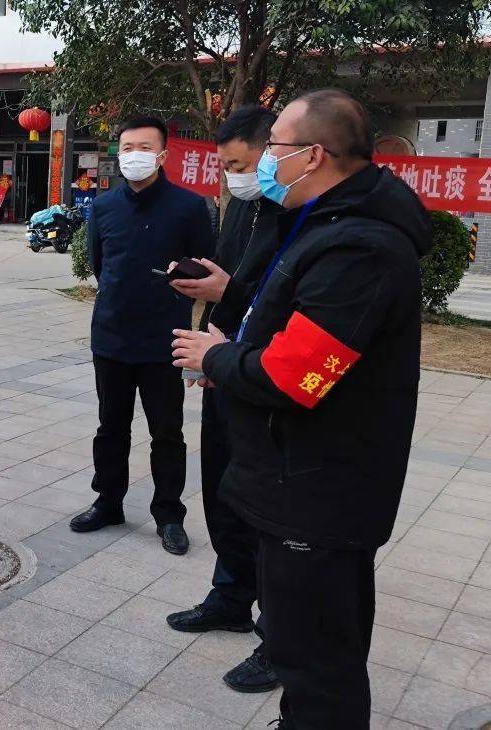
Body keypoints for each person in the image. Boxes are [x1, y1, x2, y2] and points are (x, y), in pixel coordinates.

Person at [173, 89, 430, 728]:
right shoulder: (326, 223)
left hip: (319, 495)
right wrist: (236, 358)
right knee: (303, 651)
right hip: (298, 481)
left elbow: (297, 377)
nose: (265, 163)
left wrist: (216, 359)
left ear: (313, 156)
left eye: (274, 151)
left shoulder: (359, 248)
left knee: (318, 666)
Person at [164, 105, 281, 693]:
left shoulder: (300, 212)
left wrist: (227, 291)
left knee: (266, 505)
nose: (233, 175)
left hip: (270, 379)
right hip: (226, 366)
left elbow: (285, 301)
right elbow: (230, 279)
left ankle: (278, 637)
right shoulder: (240, 207)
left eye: (241, 164)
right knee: (223, 486)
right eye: (226, 165)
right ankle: (230, 596)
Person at [70, 115, 214, 555]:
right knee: (109, 427)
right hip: (111, 335)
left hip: (165, 340)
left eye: (144, 147)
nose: (135, 155)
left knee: (166, 432)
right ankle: (108, 501)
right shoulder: (105, 206)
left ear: (163, 154)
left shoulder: (189, 207)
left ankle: (169, 514)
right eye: (127, 147)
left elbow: (204, 271)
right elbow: (100, 264)